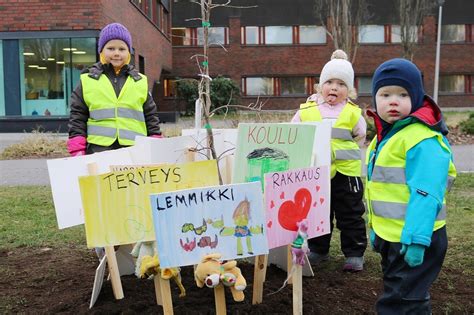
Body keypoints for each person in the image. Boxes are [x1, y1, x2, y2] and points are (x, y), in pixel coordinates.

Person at [365, 58, 457, 313]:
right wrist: (377, 229)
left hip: (417, 236)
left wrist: (418, 239)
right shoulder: (388, 136)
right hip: (394, 235)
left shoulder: (421, 138)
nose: (392, 101)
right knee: (401, 292)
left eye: (402, 94)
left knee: (404, 302)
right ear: (374, 99)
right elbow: (381, 188)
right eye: (385, 94)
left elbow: (426, 193)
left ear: (416, 97)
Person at [292, 49, 367, 272]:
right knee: (318, 212)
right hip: (317, 172)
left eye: (342, 84)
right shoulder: (306, 111)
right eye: (330, 82)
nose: (334, 88)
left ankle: (354, 253)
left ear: (349, 91)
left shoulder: (353, 113)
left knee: (350, 214)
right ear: (320, 86)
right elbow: (295, 134)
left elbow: (360, 136)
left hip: (346, 174)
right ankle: (319, 249)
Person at [67, 22, 162, 157]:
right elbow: (78, 115)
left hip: (135, 149)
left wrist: (155, 139)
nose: (116, 53)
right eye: (111, 48)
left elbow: (150, 115)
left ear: (129, 53)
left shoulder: (140, 81)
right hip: (98, 150)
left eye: (122, 49)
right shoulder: (87, 81)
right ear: (101, 51)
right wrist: (77, 147)